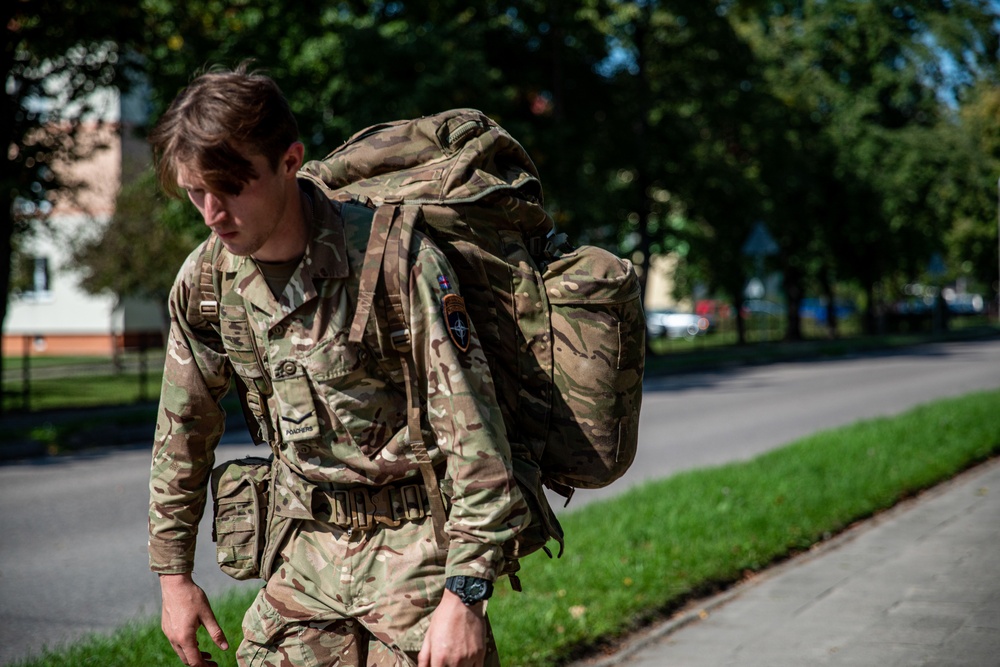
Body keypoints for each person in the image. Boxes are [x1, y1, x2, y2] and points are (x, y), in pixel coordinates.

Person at [146, 63, 529, 667]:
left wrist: (466, 595)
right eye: (196, 192)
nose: (213, 213)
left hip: (418, 555)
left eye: (231, 187)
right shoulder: (208, 280)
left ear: (290, 161)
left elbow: (477, 444)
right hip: (301, 554)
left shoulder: (396, 262)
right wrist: (173, 576)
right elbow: (182, 429)